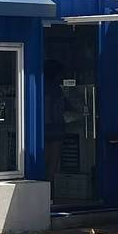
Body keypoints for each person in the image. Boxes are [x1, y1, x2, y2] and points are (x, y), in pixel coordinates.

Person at [44, 59, 65, 187]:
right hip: (56, 129)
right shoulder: (56, 90)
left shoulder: (41, 86)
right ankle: (50, 188)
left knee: (45, 160)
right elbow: (59, 108)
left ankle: (44, 188)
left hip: (44, 128)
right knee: (53, 161)